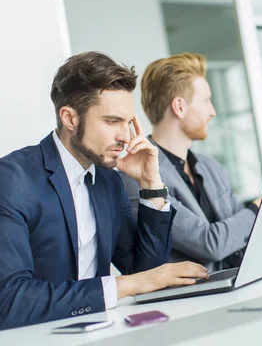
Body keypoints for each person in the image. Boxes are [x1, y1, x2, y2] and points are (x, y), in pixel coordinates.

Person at [0, 52, 208, 330]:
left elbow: (145, 274)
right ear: (70, 118)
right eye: (112, 121)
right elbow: (10, 301)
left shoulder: (108, 180)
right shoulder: (13, 179)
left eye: (128, 122)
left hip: (98, 333)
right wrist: (124, 285)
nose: (126, 136)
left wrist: (151, 185)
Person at [119, 53, 260, 272]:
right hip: (192, 300)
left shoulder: (210, 166)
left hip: (240, 279)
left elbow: (242, 231)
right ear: (179, 107)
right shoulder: (138, 176)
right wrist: (256, 210)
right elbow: (209, 243)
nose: (212, 111)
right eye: (205, 101)